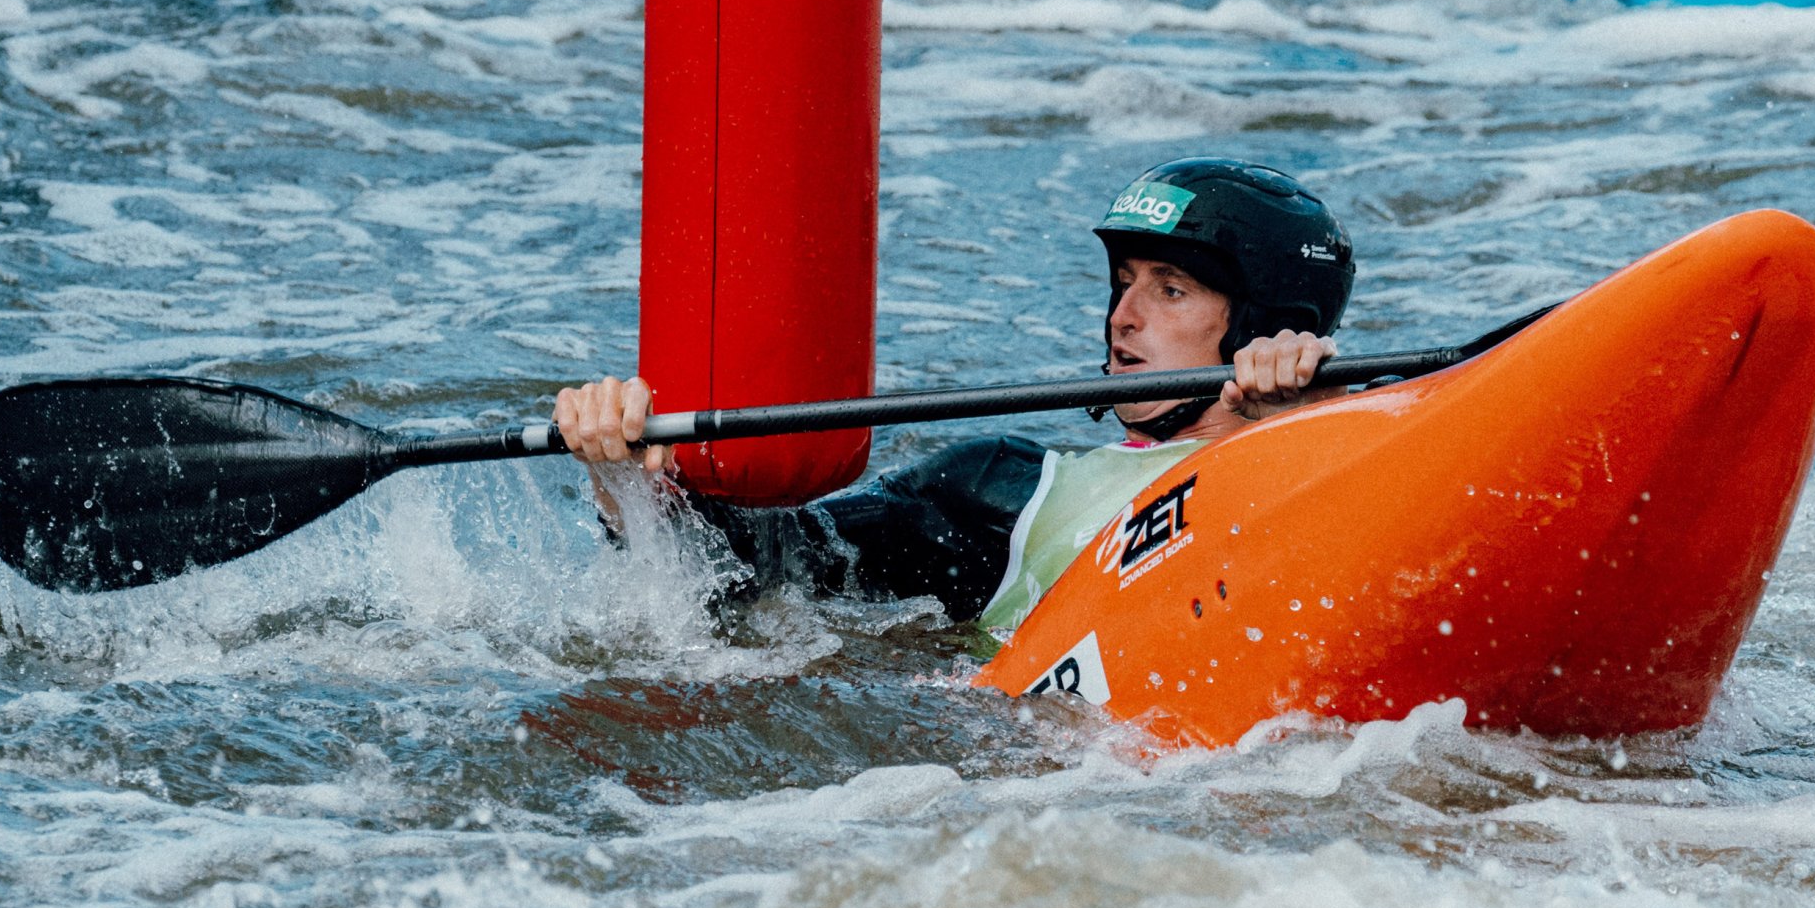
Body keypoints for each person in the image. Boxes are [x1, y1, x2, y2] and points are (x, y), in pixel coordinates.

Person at [553, 157, 1357, 637]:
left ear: (1267, 326)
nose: (1123, 317)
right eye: (1120, 287)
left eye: (1170, 290)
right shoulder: (1008, 492)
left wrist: (1301, 423)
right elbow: (759, 570)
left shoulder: (1354, 434)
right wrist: (626, 477)